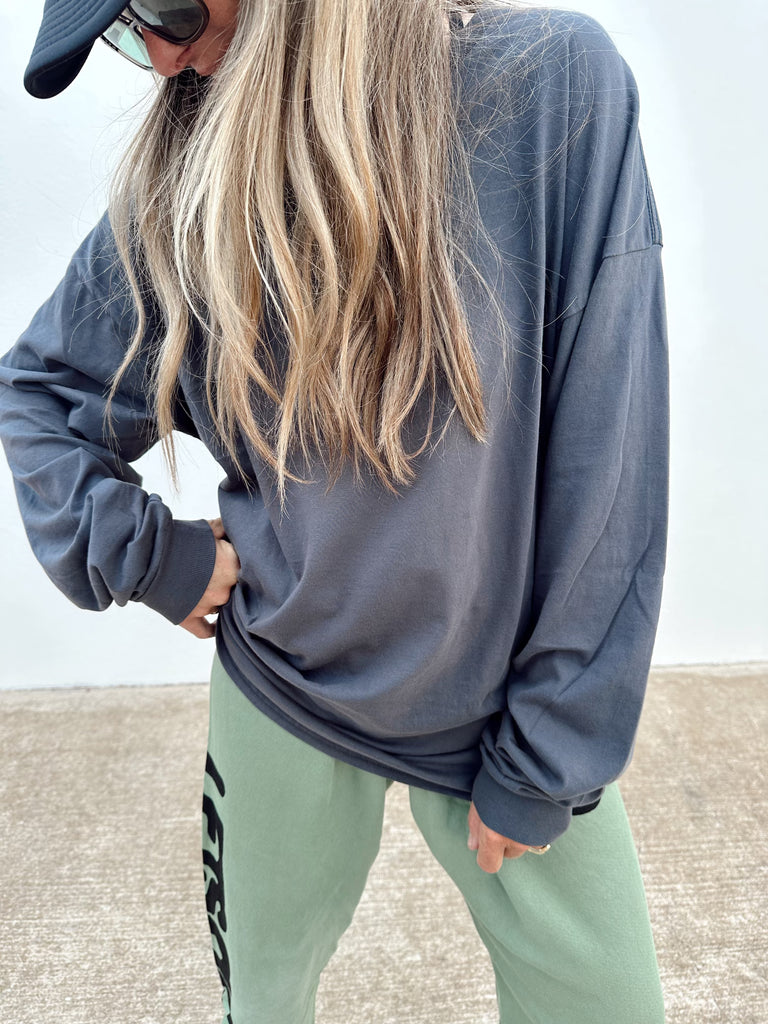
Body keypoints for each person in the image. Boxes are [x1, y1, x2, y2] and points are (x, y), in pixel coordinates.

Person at [1, 1, 669, 1022]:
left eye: (164, 7)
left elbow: (609, 454)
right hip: (284, 690)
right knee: (263, 1002)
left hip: (499, 709)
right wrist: (148, 557)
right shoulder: (191, 172)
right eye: (127, 36)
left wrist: (550, 753)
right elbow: (39, 392)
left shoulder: (548, 82)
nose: (165, 59)